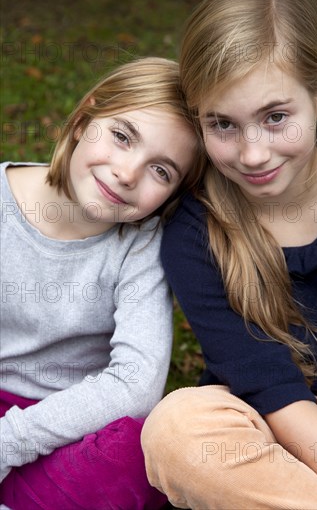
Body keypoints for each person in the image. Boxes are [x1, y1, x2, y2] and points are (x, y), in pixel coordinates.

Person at [141, 0, 317, 510]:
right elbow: (277, 396)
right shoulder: (197, 232)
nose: (253, 153)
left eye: (275, 116)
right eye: (223, 124)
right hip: (270, 432)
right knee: (179, 430)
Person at [0, 56, 205, 510]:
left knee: (137, 453)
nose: (128, 173)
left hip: (68, 427)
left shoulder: (141, 241)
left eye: (161, 171)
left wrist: (11, 440)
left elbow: (136, 383)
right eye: (121, 136)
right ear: (83, 119)